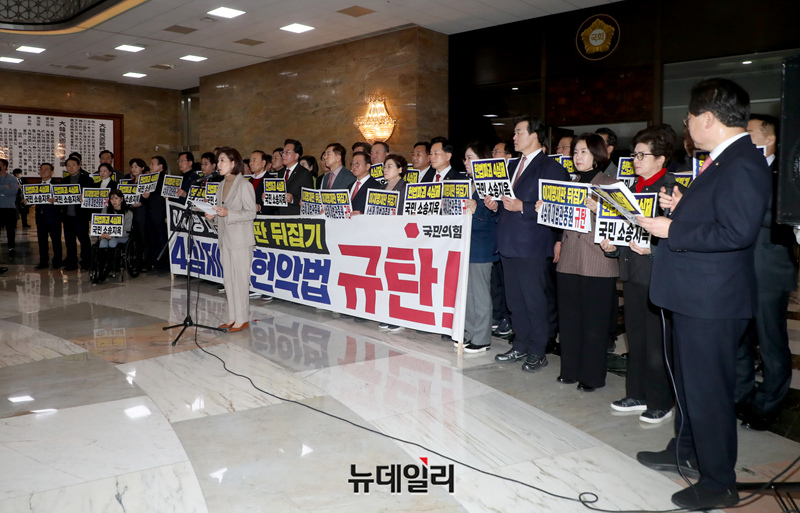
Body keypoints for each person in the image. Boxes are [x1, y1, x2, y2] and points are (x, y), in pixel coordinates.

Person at [636, 78, 771, 511]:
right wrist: (684, 208)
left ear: (708, 119)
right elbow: (719, 216)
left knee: (708, 390)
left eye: (690, 117)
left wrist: (672, 228)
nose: (687, 125)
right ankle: (686, 449)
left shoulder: (742, 162)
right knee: (691, 385)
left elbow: (736, 232)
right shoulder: (723, 160)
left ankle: (718, 482)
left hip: (712, 301)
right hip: (695, 294)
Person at [600, 127, 680, 423]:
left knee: (657, 341)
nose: (635, 160)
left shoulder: (671, 190)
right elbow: (624, 229)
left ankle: (661, 400)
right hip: (632, 272)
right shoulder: (630, 188)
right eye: (634, 154)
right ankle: (636, 393)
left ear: (660, 159)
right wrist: (612, 245)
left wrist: (653, 249)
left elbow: (681, 235)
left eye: (642, 155)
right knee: (635, 337)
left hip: (658, 274)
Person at [485, 115, 569, 372]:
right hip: (508, 243)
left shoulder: (551, 168)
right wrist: (494, 205)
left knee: (535, 301)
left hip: (532, 245)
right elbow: (505, 202)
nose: (514, 137)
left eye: (519, 132)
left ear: (534, 136)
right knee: (515, 302)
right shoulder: (510, 166)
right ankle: (520, 344)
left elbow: (559, 207)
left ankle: (538, 350)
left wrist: (525, 207)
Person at [734, 113, 798, 431]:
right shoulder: (742, 169)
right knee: (739, 339)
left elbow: (783, 217)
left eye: (749, 132)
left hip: (770, 271)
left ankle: (768, 403)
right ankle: (740, 396)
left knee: (771, 343)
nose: (744, 138)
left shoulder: (784, 176)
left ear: (769, 138)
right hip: (739, 270)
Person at [545, 133, 618, 391]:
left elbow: (624, 222)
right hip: (569, 258)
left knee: (594, 323)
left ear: (597, 154)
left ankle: (592, 376)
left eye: (584, 152)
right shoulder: (569, 183)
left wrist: (600, 210)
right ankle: (570, 369)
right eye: (575, 152)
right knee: (570, 320)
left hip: (597, 259)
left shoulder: (611, 184)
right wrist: (546, 209)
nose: (577, 157)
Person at [205, 147, 257, 333]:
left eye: (222, 161)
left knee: (240, 280)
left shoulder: (244, 185)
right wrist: (212, 217)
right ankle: (233, 317)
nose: (218, 165)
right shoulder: (221, 185)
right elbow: (222, 214)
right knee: (228, 280)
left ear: (233, 163)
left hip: (241, 240)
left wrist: (228, 213)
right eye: (218, 161)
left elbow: (251, 213)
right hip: (225, 239)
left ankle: (242, 320)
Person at [461, 142, 498, 353]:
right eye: (465, 158)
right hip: (466, 244)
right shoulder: (468, 183)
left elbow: (495, 216)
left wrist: (478, 211)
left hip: (482, 246)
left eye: (470, 158)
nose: (466, 162)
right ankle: (469, 332)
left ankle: (482, 337)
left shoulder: (490, 184)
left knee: (480, 293)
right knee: (467, 293)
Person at [92, 189, 133, 284]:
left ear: (121, 199)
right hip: (107, 235)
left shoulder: (128, 213)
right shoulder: (105, 210)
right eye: (111, 199)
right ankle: (101, 268)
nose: (114, 201)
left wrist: (114, 235)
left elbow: (127, 230)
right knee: (103, 242)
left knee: (112, 242)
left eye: (116, 198)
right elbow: (100, 225)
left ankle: (109, 267)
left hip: (122, 236)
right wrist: (101, 234)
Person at [61, 156, 95, 270]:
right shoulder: (64, 181)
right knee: (69, 240)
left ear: (79, 166)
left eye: (73, 165)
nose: (71, 168)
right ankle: (71, 262)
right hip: (67, 216)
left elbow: (92, 197)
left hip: (81, 216)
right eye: (68, 165)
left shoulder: (87, 180)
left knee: (84, 239)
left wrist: (85, 196)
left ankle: (86, 262)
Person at [30, 163, 62, 269]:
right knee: (42, 241)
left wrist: (56, 200)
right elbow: (30, 200)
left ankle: (57, 261)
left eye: (46, 169)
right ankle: (43, 261)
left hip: (54, 217)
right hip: (40, 217)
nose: (43, 171)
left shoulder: (57, 185)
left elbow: (64, 201)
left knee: (56, 241)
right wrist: (26, 201)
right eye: (41, 169)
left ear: (52, 172)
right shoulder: (35, 186)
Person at [144, 156, 169, 272]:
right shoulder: (149, 178)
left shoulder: (166, 179)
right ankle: (155, 262)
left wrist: (167, 214)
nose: (150, 166)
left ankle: (164, 263)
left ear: (160, 166)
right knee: (152, 238)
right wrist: (145, 196)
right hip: (150, 212)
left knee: (162, 238)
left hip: (161, 213)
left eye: (153, 164)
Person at [277, 139, 313, 216]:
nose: (283, 155)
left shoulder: (304, 173)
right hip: (280, 216)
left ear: (296, 156)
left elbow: (309, 198)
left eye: (287, 152)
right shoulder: (280, 173)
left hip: (295, 216)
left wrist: (293, 199)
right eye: (283, 152)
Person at [127, 158, 150, 270]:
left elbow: (150, 200)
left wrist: (142, 201)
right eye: (132, 167)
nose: (134, 169)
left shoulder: (146, 183)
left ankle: (146, 261)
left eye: (136, 167)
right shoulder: (129, 183)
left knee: (143, 237)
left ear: (142, 168)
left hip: (142, 212)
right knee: (133, 236)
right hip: (131, 212)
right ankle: (136, 260)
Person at [0, 159, 20, 255]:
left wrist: (2, 190)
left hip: (9, 207)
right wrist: (5, 187)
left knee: (10, 229)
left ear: (4, 166)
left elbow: (13, 191)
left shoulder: (12, 179)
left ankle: (11, 247)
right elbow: (8, 190)